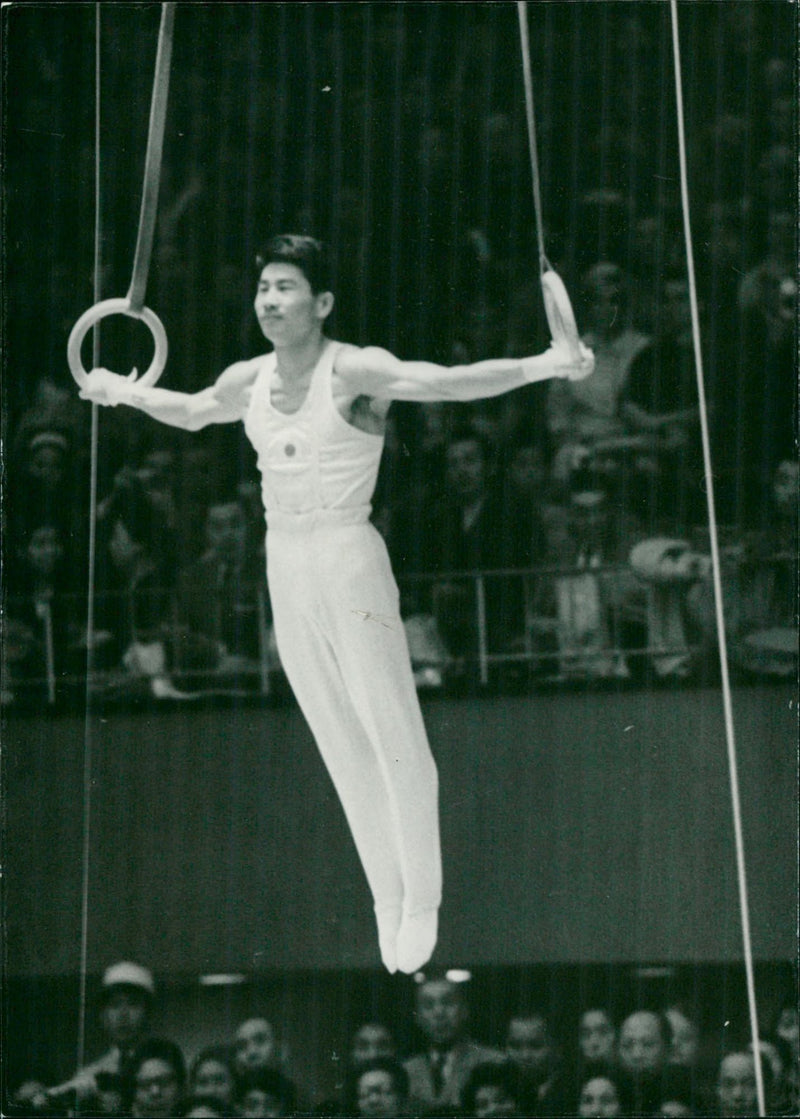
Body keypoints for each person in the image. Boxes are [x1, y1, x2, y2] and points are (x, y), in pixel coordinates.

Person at [79, 233, 593, 974]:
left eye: (286, 286)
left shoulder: (353, 368)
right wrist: (118, 389)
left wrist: (548, 363)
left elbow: (447, 382)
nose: (270, 300)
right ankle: (386, 894)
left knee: (390, 727)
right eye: (263, 288)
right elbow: (191, 410)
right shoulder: (248, 378)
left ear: (321, 302)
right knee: (337, 739)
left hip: (350, 553)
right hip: (284, 561)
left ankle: (424, 895)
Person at [403, 974, 504, 1110]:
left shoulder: (493, 1062)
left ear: (464, 1010)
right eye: (428, 1005)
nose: (439, 1013)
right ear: (418, 1017)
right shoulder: (406, 1071)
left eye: (448, 1002)